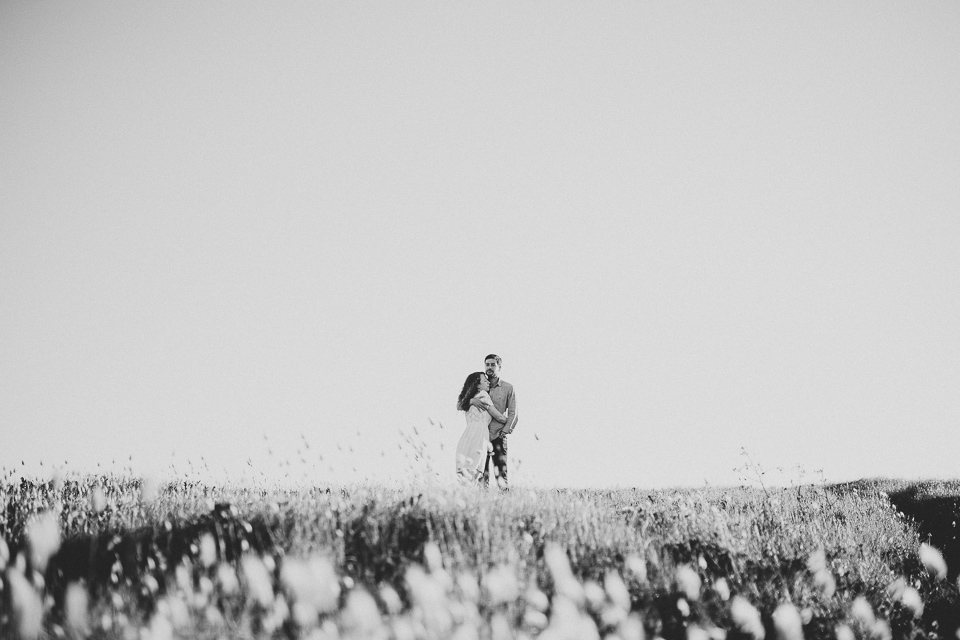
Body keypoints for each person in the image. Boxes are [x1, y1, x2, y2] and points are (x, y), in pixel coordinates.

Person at [455, 371, 507, 483]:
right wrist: (510, 421)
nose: (488, 382)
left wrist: (471, 400)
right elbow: (498, 417)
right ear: (477, 385)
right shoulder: (483, 395)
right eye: (485, 380)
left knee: (466, 475)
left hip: (467, 436)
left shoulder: (468, 399)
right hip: (479, 436)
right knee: (475, 471)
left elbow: (459, 405)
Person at [474, 354, 517, 489]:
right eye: (487, 364)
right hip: (481, 436)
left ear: (499, 367)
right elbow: (461, 401)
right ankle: (483, 502)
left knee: (501, 474)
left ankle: (506, 502)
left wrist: (505, 431)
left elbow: (513, 413)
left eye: (493, 365)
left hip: (498, 434)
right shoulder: (478, 385)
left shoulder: (508, 388)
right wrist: (471, 400)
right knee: (481, 473)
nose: (489, 367)